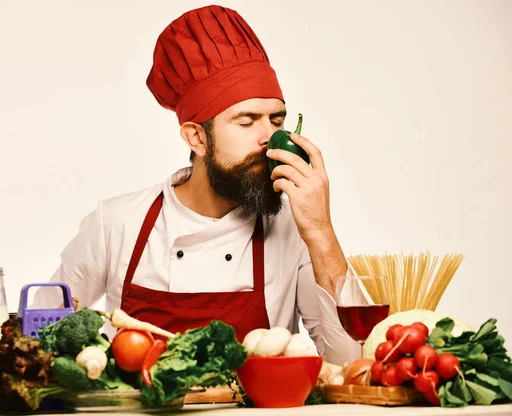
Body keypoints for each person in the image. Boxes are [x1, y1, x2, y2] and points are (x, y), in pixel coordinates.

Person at [33, 4, 359, 364]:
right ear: (197, 139)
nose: (269, 137)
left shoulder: (292, 229)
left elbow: (351, 361)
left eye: (276, 120)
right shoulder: (118, 223)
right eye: (247, 121)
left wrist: (320, 231)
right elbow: (39, 340)